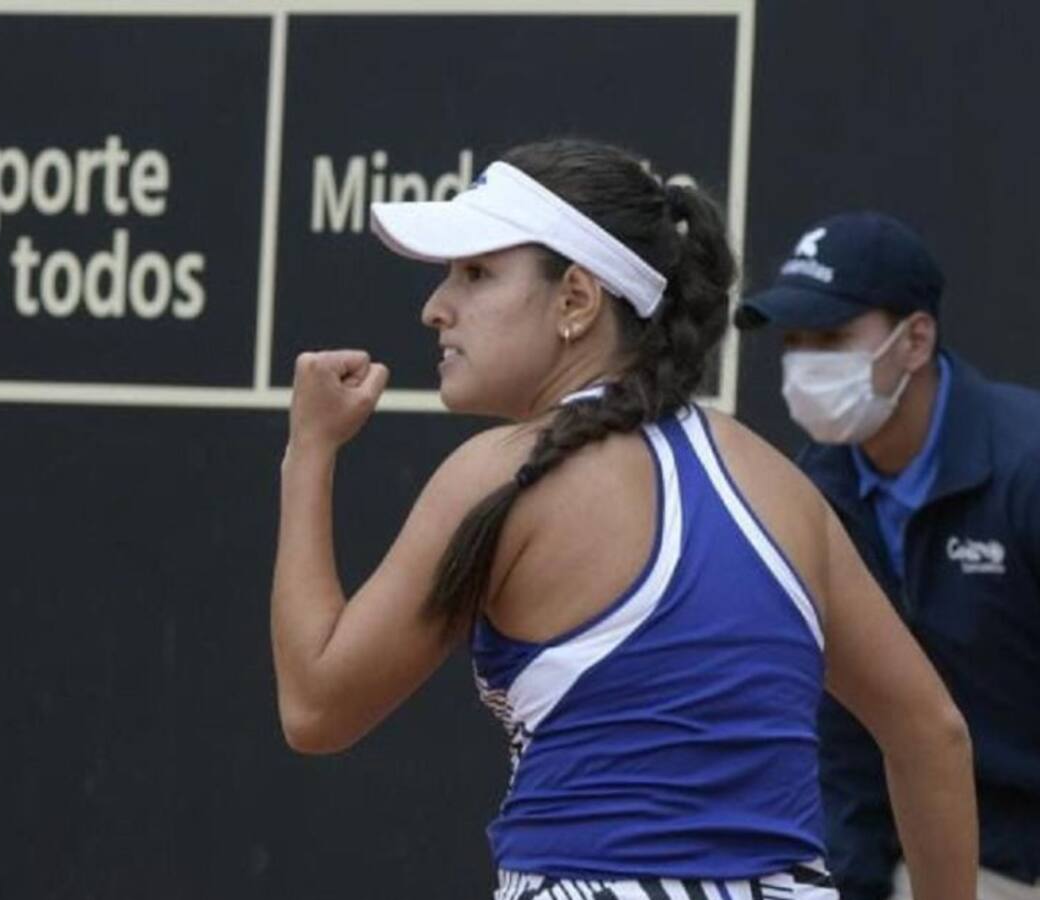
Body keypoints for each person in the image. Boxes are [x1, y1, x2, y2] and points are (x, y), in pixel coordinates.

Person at [271, 139, 975, 900]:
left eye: (476, 274)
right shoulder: (784, 487)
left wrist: (309, 451)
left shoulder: (499, 476)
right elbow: (932, 733)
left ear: (576, 300)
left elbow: (317, 708)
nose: (436, 306)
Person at [735, 211, 1040, 900]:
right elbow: (840, 724)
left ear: (916, 340)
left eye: (832, 338)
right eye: (794, 340)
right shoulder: (813, 491)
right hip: (926, 852)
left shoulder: (1026, 466)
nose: (805, 363)